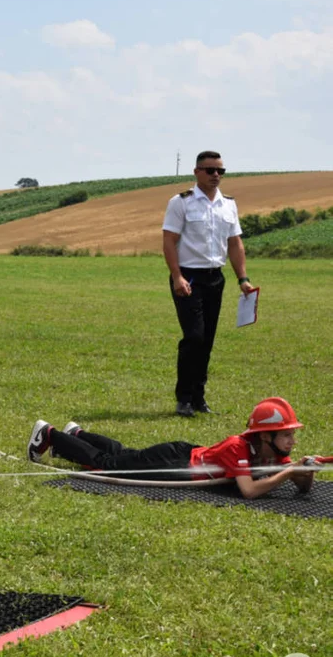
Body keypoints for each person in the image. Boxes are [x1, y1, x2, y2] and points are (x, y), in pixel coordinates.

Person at [27, 397, 316, 499]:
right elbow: (249, 491)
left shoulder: (275, 453)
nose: (292, 441)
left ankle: (76, 434)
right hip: (177, 463)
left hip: (181, 457)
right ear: (265, 436)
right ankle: (49, 434)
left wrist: (306, 471)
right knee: (109, 464)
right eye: (287, 434)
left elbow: (302, 488)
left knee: (123, 454)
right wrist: (289, 472)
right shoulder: (237, 448)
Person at [163, 151, 256, 417]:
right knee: (194, 336)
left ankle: (198, 398)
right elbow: (169, 240)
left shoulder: (228, 204)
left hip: (215, 277)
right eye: (210, 170)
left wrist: (243, 278)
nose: (216, 175)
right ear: (197, 172)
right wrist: (177, 275)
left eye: (220, 171)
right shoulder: (181, 203)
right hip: (189, 276)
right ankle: (184, 398)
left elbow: (235, 243)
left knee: (207, 340)